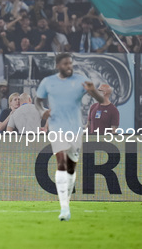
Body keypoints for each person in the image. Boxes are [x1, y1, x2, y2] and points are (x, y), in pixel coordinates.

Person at [35, 53, 103, 221]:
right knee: (61, 163)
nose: (69, 66)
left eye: (70, 63)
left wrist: (93, 91)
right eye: (66, 64)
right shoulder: (48, 82)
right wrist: (42, 111)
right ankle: (64, 208)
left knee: (71, 167)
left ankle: (67, 200)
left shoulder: (81, 79)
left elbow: (101, 100)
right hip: (57, 127)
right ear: (58, 65)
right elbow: (37, 101)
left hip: (75, 129)